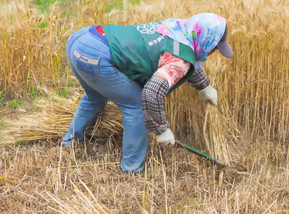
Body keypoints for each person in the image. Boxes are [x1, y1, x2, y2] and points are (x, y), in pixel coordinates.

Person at [62, 13, 233, 173]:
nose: (212, 52)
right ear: (205, 40)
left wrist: (204, 86)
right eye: (214, 47)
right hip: (96, 57)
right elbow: (151, 93)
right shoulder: (180, 62)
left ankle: (70, 142)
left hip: (82, 40)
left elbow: (184, 52)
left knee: (94, 97)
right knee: (136, 104)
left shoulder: (176, 28)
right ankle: (132, 168)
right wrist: (161, 129)